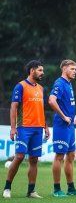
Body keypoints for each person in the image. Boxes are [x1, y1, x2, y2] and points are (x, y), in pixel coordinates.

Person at [3, 60, 49, 199]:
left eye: (42, 70)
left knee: (34, 160)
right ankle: (7, 188)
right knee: (19, 157)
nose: (42, 73)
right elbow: (13, 107)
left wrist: (45, 126)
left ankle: (31, 191)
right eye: (40, 70)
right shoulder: (20, 86)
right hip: (24, 128)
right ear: (32, 70)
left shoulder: (41, 88)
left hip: (37, 129)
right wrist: (13, 128)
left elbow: (41, 109)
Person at [48, 59, 76, 197]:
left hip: (70, 126)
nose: (75, 71)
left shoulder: (69, 84)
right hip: (61, 126)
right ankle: (57, 189)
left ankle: (71, 189)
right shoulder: (59, 83)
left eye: (75, 69)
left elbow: (67, 103)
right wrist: (64, 116)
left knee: (71, 155)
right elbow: (51, 100)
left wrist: (73, 115)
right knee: (59, 156)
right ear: (64, 69)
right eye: (72, 69)